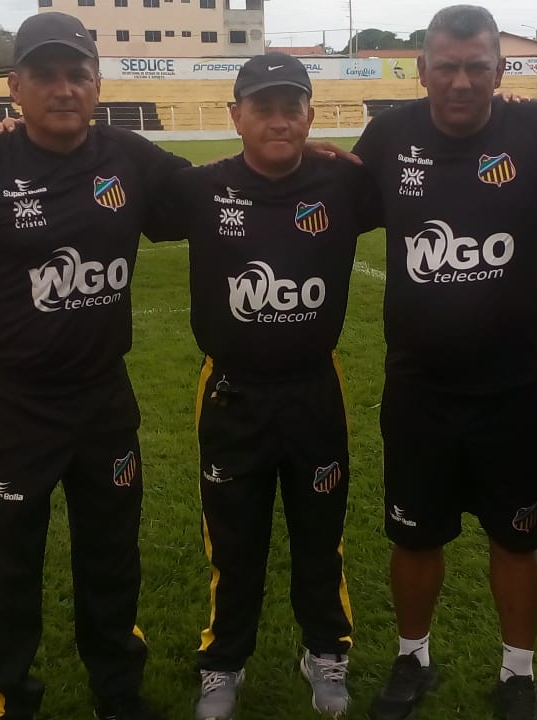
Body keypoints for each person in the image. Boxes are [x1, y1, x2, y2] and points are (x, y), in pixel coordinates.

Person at [0, 12, 190, 720]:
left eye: (77, 74)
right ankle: (6, 702)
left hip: (103, 398)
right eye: (45, 74)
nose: (63, 88)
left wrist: (302, 153)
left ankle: (118, 696)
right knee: (7, 567)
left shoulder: (131, 159)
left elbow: (227, 192)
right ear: (15, 86)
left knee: (110, 555)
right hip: (10, 399)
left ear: (97, 84)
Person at [350, 7, 537, 720]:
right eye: (445, 67)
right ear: (420, 71)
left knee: (516, 538)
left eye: (476, 66)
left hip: (511, 389)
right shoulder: (388, 136)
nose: (460, 81)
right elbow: (325, 198)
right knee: (413, 535)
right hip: (418, 390)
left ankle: (519, 674)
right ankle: (412, 658)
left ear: (499, 70)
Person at [148, 53, 379, 720]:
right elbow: (110, 167)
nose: (279, 120)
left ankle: (325, 650)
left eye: (292, 107)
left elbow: (433, 171)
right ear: (236, 115)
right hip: (232, 393)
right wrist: (4, 132)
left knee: (320, 533)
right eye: (263, 107)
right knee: (233, 538)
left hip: (314, 390)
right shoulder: (200, 187)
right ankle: (223, 664)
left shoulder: (344, 182)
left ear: (311, 113)